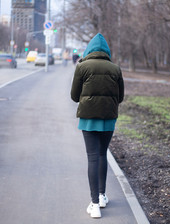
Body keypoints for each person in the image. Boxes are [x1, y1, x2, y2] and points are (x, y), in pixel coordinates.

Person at [70, 33, 124, 219]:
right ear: (107, 51)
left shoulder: (82, 67)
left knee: (93, 157)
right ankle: (101, 196)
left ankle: (94, 205)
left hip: (88, 118)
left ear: (89, 50)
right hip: (108, 118)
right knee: (102, 155)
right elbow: (121, 97)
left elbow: (74, 96)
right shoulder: (115, 69)